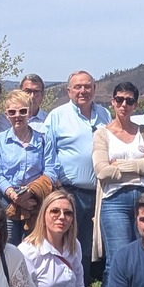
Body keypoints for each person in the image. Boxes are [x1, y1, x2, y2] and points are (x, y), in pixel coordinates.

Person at [42, 70, 110, 269]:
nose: (83, 91)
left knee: (89, 248)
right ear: (69, 90)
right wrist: (55, 183)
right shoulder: (57, 116)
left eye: (87, 86)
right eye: (78, 87)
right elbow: (48, 153)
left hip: (99, 192)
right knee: (65, 243)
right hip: (69, 192)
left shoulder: (105, 114)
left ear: (94, 88)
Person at [93, 81, 144, 273]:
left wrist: (119, 166)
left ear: (135, 105)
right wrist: (140, 166)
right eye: (120, 100)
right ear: (112, 102)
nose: (124, 104)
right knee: (118, 260)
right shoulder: (101, 134)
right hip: (115, 200)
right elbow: (102, 171)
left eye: (129, 101)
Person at [0, 90, 51, 244]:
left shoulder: (43, 139)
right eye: (12, 112)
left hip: (35, 202)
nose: (18, 116)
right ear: (6, 115)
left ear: (29, 112)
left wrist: (30, 191)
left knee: (33, 249)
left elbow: (51, 170)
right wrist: (14, 195)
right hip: (7, 203)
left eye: (22, 111)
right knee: (7, 248)